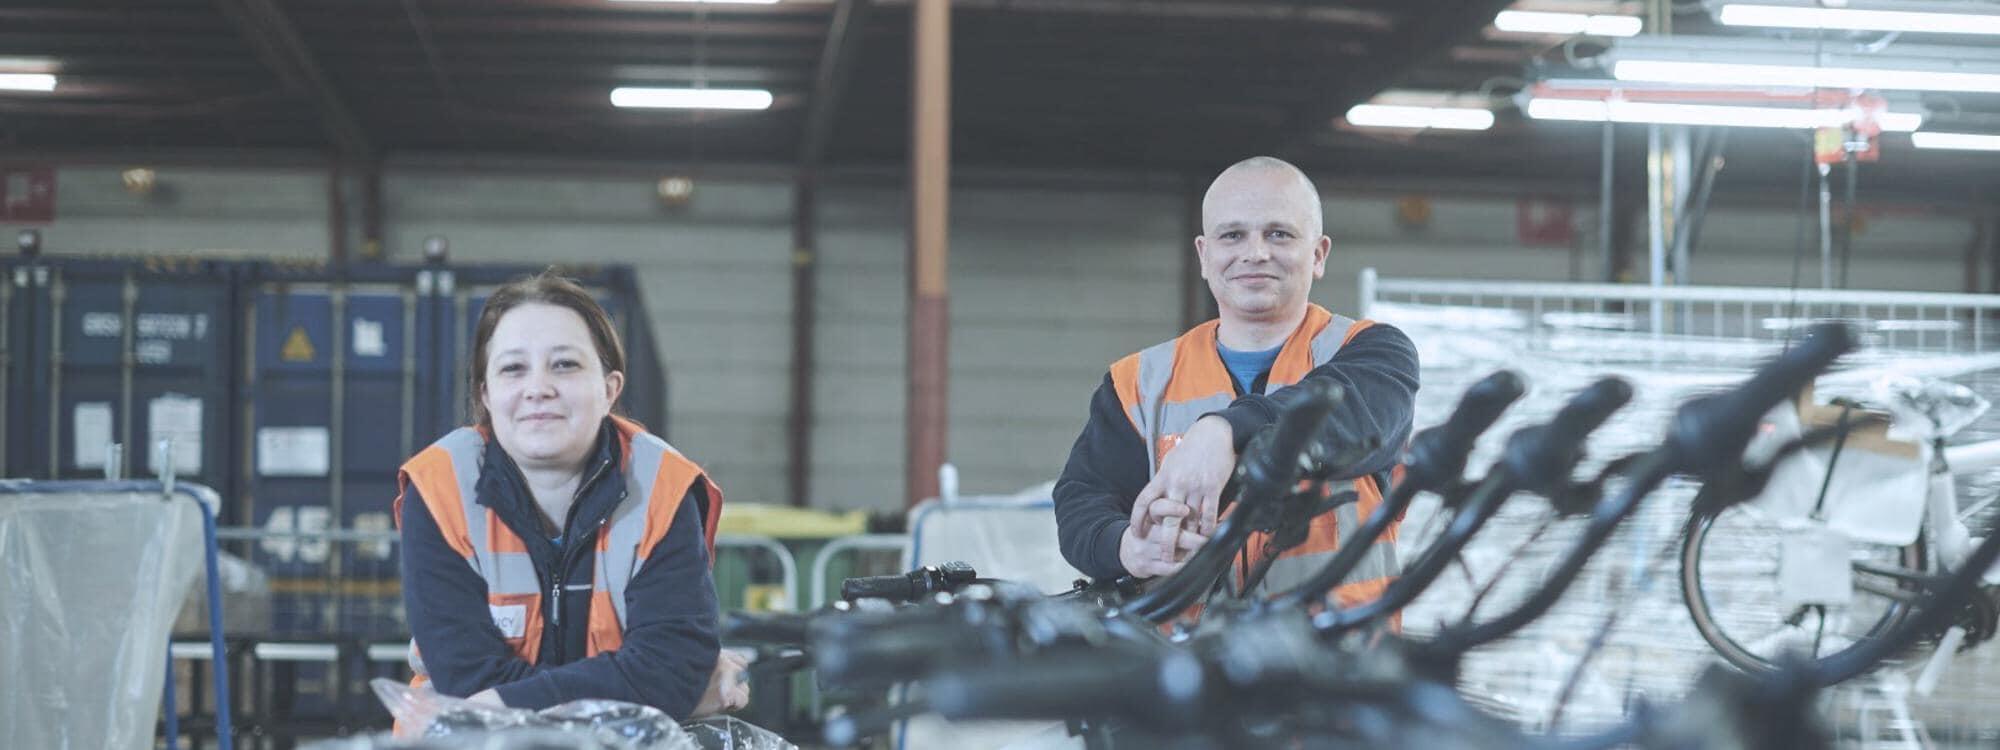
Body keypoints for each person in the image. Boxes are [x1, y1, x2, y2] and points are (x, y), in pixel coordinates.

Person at [1053, 156, 1418, 609]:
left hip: (1336, 667)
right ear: (1205, 256)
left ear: (1319, 254)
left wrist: (1221, 431)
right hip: (1184, 667)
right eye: (1233, 235)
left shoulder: (1373, 354)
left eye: (1279, 234)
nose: (1255, 253)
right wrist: (1125, 545)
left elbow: (1343, 416)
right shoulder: (1136, 384)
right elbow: (1082, 500)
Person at [395, 271, 749, 718]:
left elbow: (669, 667)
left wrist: (505, 701)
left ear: (609, 389)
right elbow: (467, 684)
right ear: (486, 395)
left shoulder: (664, 486)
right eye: (513, 368)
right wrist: (645, 692)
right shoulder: (440, 489)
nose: (538, 388)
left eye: (564, 364)